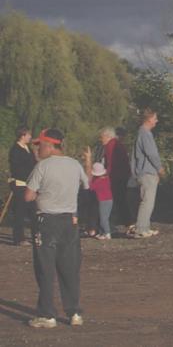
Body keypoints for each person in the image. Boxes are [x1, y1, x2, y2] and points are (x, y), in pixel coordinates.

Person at [24, 128, 89, 329]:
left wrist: (39, 195)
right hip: (69, 221)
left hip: (46, 222)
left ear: (50, 145)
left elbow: (28, 195)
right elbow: (87, 185)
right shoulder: (74, 165)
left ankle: (47, 314)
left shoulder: (42, 166)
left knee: (45, 269)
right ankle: (75, 312)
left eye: (40, 145)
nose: (37, 149)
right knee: (69, 268)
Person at [130, 109, 164, 239]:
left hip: (144, 172)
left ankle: (145, 226)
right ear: (149, 119)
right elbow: (151, 153)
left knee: (147, 200)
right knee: (147, 201)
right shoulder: (145, 134)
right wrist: (159, 168)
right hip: (147, 172)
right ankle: (141, 229)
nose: (156, 120)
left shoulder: (142, 133)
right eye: (155, 118)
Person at [8, 125, 37, 246]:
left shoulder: (28, 148)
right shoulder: (15, 150)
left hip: (30, 184)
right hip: (20, 183)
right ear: (23, 135)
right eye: (29, 135)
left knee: (34, 210)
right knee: (19, 211)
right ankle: (19, 238)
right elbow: (16, 168)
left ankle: (36, 235)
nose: (30, 137)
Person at [84, 160, 113, 240]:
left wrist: (90, 178)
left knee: (103, 218)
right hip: (109, 200)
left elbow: (90, 187)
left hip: (103, 201)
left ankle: (107, 233)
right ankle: (103, 232)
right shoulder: (107, 179)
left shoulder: (97, 181)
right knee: (105, 217)